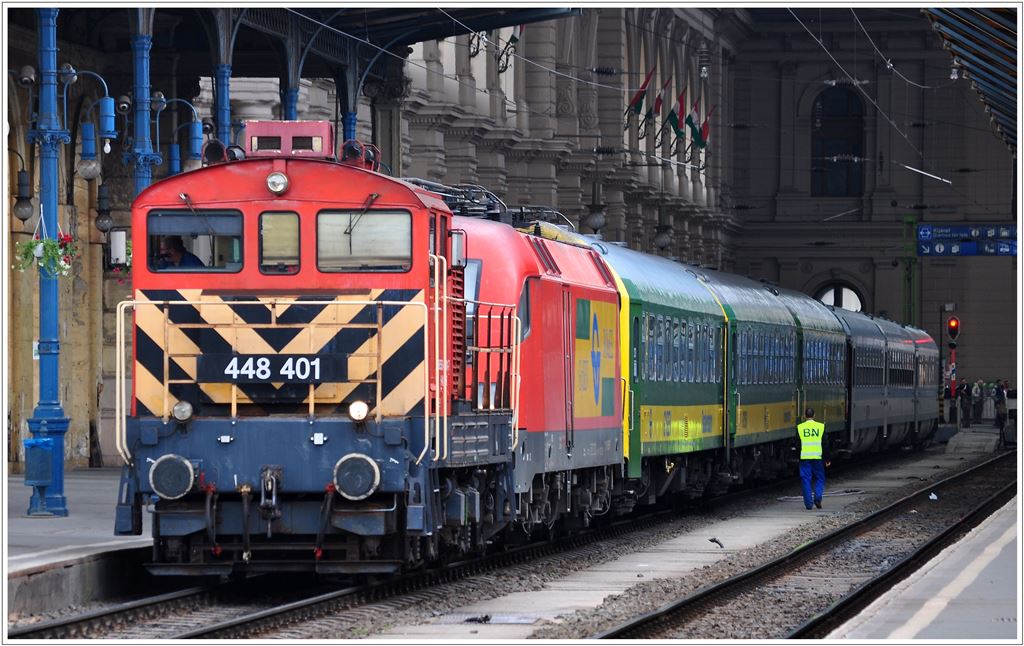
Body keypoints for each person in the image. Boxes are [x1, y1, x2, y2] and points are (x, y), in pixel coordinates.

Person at [796, 407, 829, 510]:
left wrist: (798, 457)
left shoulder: (800, 427)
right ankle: (818, 498)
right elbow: (825, 444)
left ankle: (809, 504)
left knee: (805, 479)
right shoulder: (821, 427)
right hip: (817, 457)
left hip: (805, 457)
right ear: (814, 416)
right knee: (820, 478)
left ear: (805, 416)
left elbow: (798, 445)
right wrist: (827, 459)